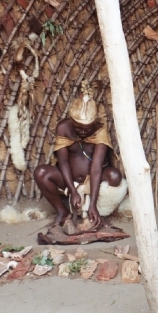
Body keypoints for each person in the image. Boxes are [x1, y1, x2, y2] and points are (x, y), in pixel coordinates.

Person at [34, 91, 124, 229]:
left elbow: (96, 168)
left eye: (87, 129)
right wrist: (72, 190)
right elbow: (62, 162)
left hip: (95, 180)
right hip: (67, 179)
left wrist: (93, 203)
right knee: (40, 172)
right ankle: (63, 213)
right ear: (71, 121)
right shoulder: (63, 127)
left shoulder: (100, 131)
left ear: (94, 123)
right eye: (78, 128)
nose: (82, 132)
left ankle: (96, 213)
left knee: (115, 176)